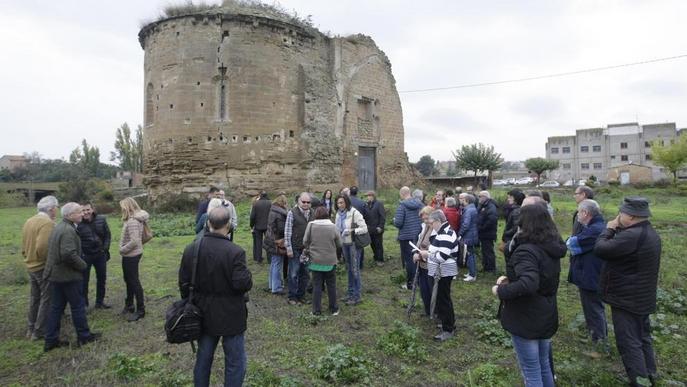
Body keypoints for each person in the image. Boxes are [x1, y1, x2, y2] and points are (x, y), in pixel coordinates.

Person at [492, 204, 567, 387]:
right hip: (546, 311)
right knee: (543, 366)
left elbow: (529, 283)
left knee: (531, 371)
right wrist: (510, 278)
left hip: (527, 316)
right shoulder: (551, 245)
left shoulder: (527, 250)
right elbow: (539, 276)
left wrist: (500, 290)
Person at [179, 206, 253, 387]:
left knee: (203, 360)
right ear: (228, 225)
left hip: (202, 312)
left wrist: (193, 302)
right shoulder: (235, 252)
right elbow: (242, 284)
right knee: (235, 362)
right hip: (231, 314)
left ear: (208, 223)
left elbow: (183, 282)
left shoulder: (192, 249)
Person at [593, 197, 661, 386]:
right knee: (643, 337)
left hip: (627, 299)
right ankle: (650, 375)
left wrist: (609, 228)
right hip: (642, 296)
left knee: (629, 342)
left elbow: (600, 248)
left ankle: (639, 381)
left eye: (621, 213)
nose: (618, 216)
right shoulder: (648, 232)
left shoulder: (632, 236)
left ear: (630, 216)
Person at [43, 202, 101, 351]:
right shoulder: (68, 230)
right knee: (77, 307)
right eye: (79, 212)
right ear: (69, 215)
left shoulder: (60, 227)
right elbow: (68, 254)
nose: (82, 214)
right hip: (68, 276)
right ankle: (84, 337)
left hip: (57, 275)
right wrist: (83, 265)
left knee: (56, 308)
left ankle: (51, 340)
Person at [566, 199, 608, 355]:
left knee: (594, 309)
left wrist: (568, 241)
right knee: (591, 307)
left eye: (579, 211)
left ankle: (600, 343)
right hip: (590, 274)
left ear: (585, 213)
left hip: (591, 276)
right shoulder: (592, 226)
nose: (577, 215)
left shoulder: (594, 230)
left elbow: (572, 244)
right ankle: (595, 336)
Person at [416, 210, 458, 341]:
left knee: (442, 299)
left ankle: (448, 329)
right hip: (440, 271)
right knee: (443, 298)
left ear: (438, 221)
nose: (431, 225)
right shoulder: (442, 232)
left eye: (431, 223)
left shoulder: (445, 234)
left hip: (444, 271)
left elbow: (442, 256)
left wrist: (426, 254)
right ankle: (448, 322)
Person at [21, 195, 58, 340]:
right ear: (51, 209)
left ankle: (30, 327)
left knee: (34, 297)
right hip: (41, 266)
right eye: (56, 208)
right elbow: (43, 247)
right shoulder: (46, 223)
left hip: (30, 264)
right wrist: (48, 262)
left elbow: (24, 244)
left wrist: (27, 256)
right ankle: (39, 330)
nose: (57, 211)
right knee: (46, 298)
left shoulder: (29, 220)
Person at [304, 206, 342, 315]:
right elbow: (339, 244)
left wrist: (310, 248)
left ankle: (316, 310)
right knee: (331, 285)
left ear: (316, 214)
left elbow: (305, 241)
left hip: (315, 260)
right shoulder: (333, 227)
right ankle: (334, 308)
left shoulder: (311, 225)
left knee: (317, 285)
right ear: (327, 214)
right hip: (330, 261)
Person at [118, 197, 149, 322]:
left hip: (131, 255)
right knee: (129, 280)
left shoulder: (132, 221)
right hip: (132, 254)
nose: (121, 209)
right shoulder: (136, 218)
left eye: (122, 207)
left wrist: (122, 249)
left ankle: (140, 310)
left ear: (127, 207)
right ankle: (129, 304)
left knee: (133, 281)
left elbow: (135, 240)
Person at [77, 202, 112, 309]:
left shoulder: (101, 219)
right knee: (83, 280)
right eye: (83, 210)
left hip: (100, 255)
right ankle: (84, 304)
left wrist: (105, 249)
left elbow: (107, 235)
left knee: (102, 278)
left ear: (92, 209)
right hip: (85, 256)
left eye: (88, 209)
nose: (86, 212)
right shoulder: (77, 223)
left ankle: (99, 302)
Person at [335, 194, 368, 305]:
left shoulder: (354, 213)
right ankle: (350, 293)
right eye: (338, 203)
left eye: (342, 203)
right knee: (349, 268)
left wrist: (351, 231)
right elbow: (336, 228)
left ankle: (357, 296)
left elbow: (364, 228)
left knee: (355, 270)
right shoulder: (338, 214)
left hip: (353, 245)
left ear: (347, 202)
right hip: (344, 244)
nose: (340, 205)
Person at [285, 192, 314, 305]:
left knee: (305, 274)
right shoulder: (292, 213)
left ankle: (301, 296)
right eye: (304, 202)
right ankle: (292, 297)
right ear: (299, 201)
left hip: (307, 250)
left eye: (308, 202)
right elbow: (287, 232)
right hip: (295, 248)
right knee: (293, 273)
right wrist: (289, 248)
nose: (306, 204)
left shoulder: (312, 213)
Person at [393, 186, 423, 290]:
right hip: (419, 235)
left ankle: (411, 284)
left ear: (401, 194)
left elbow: (398, 223)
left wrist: (394, 220)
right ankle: (419, 281)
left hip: (406, 237)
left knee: (409, 261)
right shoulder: (420, 204)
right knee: (418, 259)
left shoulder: (402, 206)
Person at [412, 206, 436, 317]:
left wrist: (421, 256)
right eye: (424, 219)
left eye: (427, 218)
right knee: (424, 290)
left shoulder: (437, 230)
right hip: (422, 265)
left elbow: (435, 250)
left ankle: (435, 313)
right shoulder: (424, 227)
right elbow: (419, 242)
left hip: (432, 267)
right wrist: (415, 252)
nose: (426, 221)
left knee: (433, 291)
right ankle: (428, 311)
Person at [264, 194, 288, 295]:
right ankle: (276, 287)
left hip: (270, 239)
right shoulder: (280, 214)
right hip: (277, 241)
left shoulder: (272, 210)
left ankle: (271, 285)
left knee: (273, 263)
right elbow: (281, 229)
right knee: (277, 263)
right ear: (283, 203)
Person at [458, 193, 479, 282]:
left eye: (464, 200)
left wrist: (460, 234)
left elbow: (466, 224)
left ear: (467, 201)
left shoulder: (468, 210)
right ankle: (472, 272)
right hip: (473, 234)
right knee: (471, 254)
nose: (462, 201)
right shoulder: (472, 208)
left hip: (469, 236)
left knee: (470, 255)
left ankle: (472, 275)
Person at [477, 191, 498, 273]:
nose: (479, 198)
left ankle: (491, 269)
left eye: (480, 196)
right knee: (484, 251)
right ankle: (486, 266)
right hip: (484, 233)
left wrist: (482, 227)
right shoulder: (484, 205)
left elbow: (492, 220)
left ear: (485, 197)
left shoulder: (491, 206)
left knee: (488, 251)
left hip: (488, 233)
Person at [501, 188, 525, 259]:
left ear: (516, 199)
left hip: (512, 240)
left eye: (510, 197)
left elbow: (516, 228)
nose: (508, 199)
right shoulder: (514, 209)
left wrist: (506, 233)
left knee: (511, 259)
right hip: (511, 239)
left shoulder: (516, 211)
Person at [364, 190, 386, 266]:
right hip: (370, 229)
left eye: (369, 196)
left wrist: (380, 226)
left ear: (373, 196)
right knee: (372, 244)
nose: (367, 197)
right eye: (367, 196)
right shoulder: (366, 205)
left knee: (378, 244)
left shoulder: (379, 204)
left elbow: (382, 216)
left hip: (377, 228)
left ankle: (380, 260)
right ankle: (375, 257)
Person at [348, 186, 368, 269]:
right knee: (359, 244)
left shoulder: (346, 202)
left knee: (349, 244)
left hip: (348, 224)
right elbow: (366, 215)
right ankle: (360, 264)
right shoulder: (362, 202)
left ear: (350, 192)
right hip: (359, 224)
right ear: (357, 192)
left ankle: (350, 264)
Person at [250, 191, 271, 264]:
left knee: (258, 242)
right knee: (268, 242)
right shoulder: (270, 203)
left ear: (261, 196)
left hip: (258, 226)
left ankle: (258, 259)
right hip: (268, 226)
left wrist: (251, 225)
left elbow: (252, 216)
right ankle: (269, 259)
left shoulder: (256, 203)